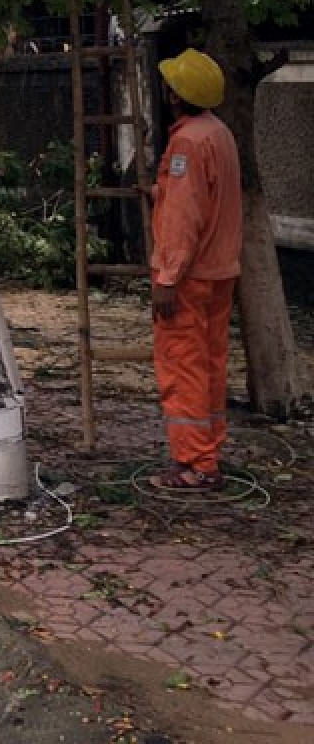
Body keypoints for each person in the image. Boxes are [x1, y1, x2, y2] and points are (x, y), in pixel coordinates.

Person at [147, 48, 243, 493]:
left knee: (183, 366)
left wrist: (168, 278)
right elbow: (202, 198)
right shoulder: (218, 134)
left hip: (189, 277)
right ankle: (209, 452)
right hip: (220, 271)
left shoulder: (187, 142)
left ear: (177, 94)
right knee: (210, 363)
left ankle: (195, 464)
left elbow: (184, 216)